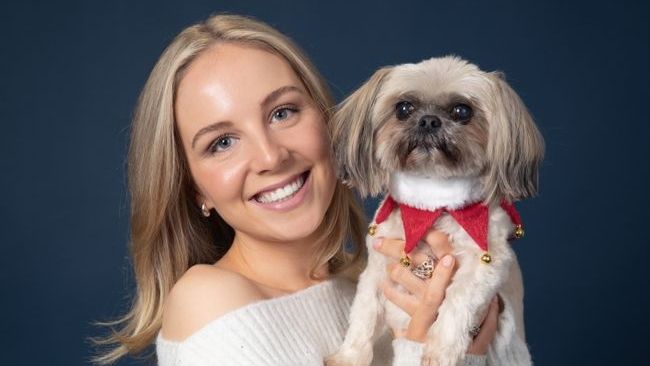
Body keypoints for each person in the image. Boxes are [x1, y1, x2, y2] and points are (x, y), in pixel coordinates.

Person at [94, 14, 500, 366]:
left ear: (328, 121)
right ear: (194, 187)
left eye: (282, 112)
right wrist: (422, 341)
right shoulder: (206, 301)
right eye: (222, 143)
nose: (271, 156)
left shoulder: (367, 285)